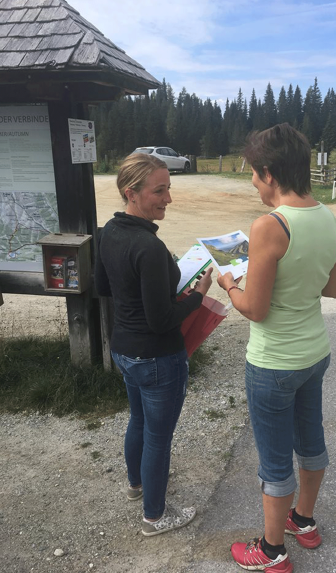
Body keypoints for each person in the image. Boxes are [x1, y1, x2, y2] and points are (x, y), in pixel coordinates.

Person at [217, 123, 336, 572]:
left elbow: (254, 308)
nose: (252, 181)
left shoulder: (269, 225)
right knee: (311, 441)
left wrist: (230, 282)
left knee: (274, 460)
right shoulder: (328, 215)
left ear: (269, 173)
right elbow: (334, 289)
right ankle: (304, 522)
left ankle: (271, 552)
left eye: (253, 173)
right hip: (314, 353)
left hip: (273, 362)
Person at [95, 153, 213, 537]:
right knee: (158, 440)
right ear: (131, 193)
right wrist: (197, 294)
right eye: (158, 190)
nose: (168, 198)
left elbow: (102, 288)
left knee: (140, 421)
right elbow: (162, 319)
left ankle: (136, 485)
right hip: (159, 356)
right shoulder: (148, 246)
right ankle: (155, 516)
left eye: (169, 188)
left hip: (124, 349)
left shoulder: (109, 232)